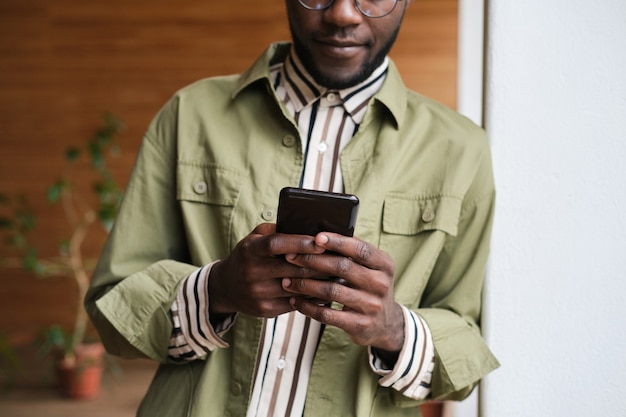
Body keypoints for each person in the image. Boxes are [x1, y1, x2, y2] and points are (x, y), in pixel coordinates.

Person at [85, 0, 499, 416]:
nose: (343, 14)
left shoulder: (462, 151)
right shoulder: (189, 114)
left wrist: (392, 327)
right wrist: (218, 289)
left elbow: (467, 352)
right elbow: (113, 305)